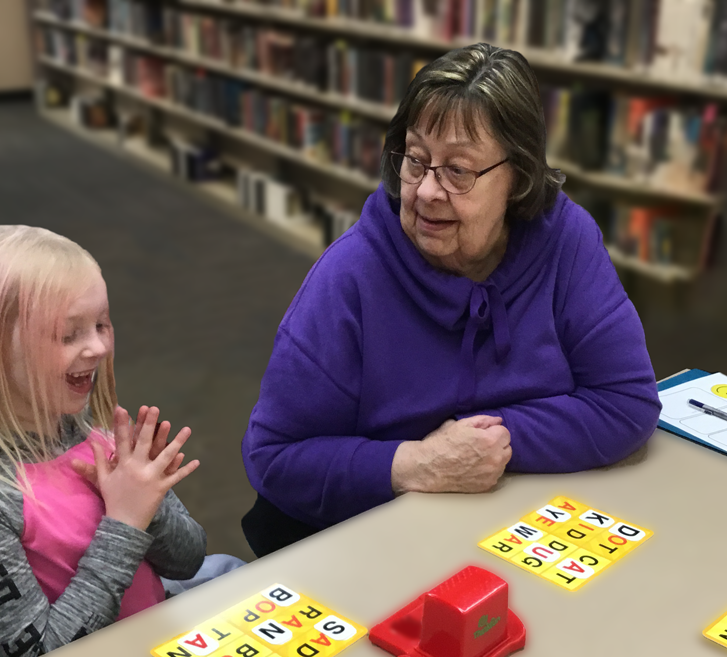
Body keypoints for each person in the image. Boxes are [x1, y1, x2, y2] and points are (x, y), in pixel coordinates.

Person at [241, 43, 662, 557]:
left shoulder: (565, 239)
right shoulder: (349, 277)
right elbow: (275, 458)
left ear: (518, 177)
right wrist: (417, 464)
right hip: (365, 545)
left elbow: (626, 401)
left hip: (510, 529)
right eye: (415, 160)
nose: (425, 192)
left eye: (458, 170)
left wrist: (487, 445)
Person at [0, 224, 206, 657]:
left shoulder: (97, 432)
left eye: (101, 324)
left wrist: (150, 505)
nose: (99, 346)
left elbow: (188, 560)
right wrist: (126, 524)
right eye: (69, 334)